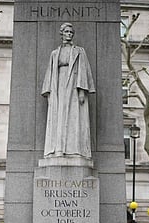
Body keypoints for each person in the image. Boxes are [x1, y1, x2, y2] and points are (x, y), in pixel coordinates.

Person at [41, 23, 95, 159]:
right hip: (58, 86)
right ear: (62, 34)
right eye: (66, 32)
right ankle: (58, 149)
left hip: (73, 86)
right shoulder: (54, 53)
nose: (69, 34)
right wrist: (48, 92)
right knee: (58, 118)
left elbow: (83, 70)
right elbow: (50, 72)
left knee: (74, 118)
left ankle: (75, 150)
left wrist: (82, 90)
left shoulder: (79, 51)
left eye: (71, 32)